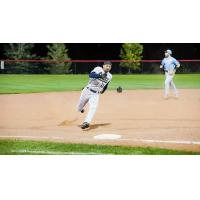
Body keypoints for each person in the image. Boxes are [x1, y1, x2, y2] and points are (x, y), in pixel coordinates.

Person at [77, 61, 112, 129]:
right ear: (103, 66)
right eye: (107, 66)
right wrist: (99, 75)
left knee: (93, 107)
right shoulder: (98, 69)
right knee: (79, 107)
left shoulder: (110, 76)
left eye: (109, 66)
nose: (108, 67)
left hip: (96, 94)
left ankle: (86, 122)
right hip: (87, 90)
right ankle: (81, 109)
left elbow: (106, 85)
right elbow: (91, 75)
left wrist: (103, 91)